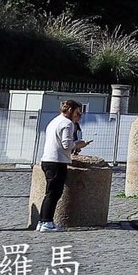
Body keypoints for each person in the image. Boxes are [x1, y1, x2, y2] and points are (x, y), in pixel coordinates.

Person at [37, 99, 90, 232]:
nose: (79, 115)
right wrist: (79, 144)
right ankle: (47, 222)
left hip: (47, 159)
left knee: (50, 193)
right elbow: (67, 144)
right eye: (77, 112)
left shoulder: (55, 121)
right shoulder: (67, 123)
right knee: (54, 193)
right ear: (70, 110)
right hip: (57, 161)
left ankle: (42, 221)